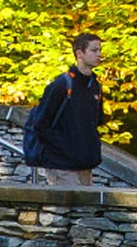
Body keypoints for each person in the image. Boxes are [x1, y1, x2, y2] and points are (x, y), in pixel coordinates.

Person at [22, 33, 108, 185]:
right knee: (68, 207)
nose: (99, 54)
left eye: (100, 50)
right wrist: (63, 149)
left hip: (84, 163)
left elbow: (96, 121)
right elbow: (40, 124)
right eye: (94, 50)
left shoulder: (95, 86)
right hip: (61, 164)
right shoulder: (62, 84)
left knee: (85, 208)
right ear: (79, 53)